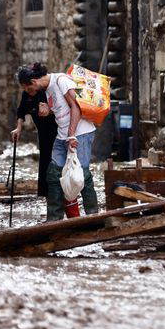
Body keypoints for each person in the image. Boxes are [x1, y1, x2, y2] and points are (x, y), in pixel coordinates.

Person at [16, 63, 98, 221]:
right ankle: (54, 219)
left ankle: (93, 217)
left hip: (80, 133)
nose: (28, 92)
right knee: (53, 174)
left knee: (83, 174)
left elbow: (76, 107)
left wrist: (72, 135)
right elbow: (61, 110)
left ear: (33, 82)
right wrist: (48, 109)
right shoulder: (46, 90)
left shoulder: (61, 81)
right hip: (62, 135)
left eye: (28, 89)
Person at [11, 78, 57, 199]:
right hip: (42, 133)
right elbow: (21, 111)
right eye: (24, 86)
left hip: (57, 131)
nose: (27, 89)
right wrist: (19, 128)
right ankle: (47, 195)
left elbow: (61, 109)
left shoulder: (46, 92)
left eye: (29, 85)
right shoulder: (26, 94)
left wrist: (49, 110)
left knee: (57, 161)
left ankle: (61, 192)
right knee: (44, 161)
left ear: (34, 82)